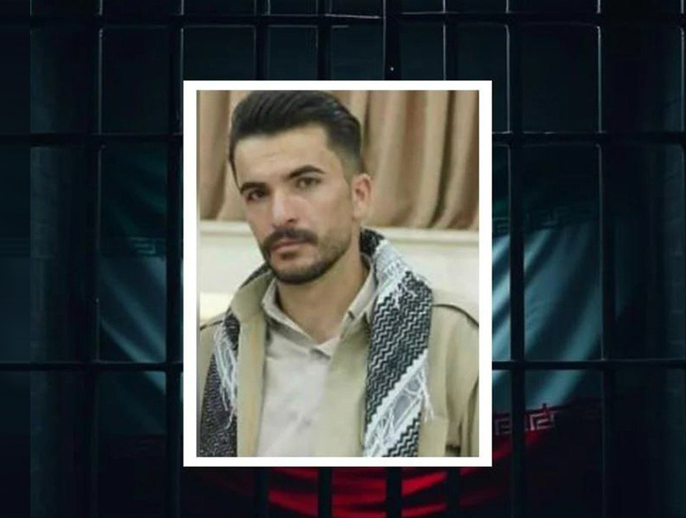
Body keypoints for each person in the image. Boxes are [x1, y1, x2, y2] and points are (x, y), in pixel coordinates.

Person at [197, 90, 479, 457]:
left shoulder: (457, 341)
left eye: (305, 182)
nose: (280, 215)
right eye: (257, 194)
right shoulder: (207, 353)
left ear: (359, 196)